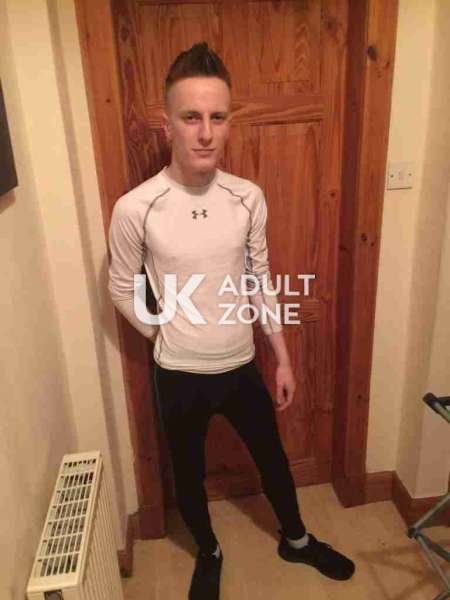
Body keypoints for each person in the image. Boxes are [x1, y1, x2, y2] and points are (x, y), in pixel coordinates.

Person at [108, 41, 355, 600]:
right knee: (188, 472)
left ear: (228, 124)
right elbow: (121, 286)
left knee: (272, 458)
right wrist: (163, 330)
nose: (205, 132)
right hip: (178, 374)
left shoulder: (247, 197)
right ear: (167, 124)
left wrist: (283, 358)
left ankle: (296, 540)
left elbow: (259, 277)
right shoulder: (136, 207)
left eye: (217, 117)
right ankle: (209, 552)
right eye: (191, 117)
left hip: (241, 365)